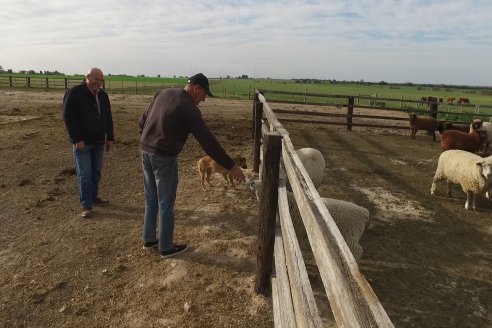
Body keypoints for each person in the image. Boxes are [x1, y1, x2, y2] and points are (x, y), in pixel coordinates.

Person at [138, 73, 245, 259]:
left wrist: (149, 140)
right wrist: (231, 165)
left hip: (145, 152)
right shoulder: (188, 107)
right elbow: (208, 142)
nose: (203, 100)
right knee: (165, 203)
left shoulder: (162, 93)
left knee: (151, 199)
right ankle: (166, 247)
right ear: (196, 88)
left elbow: (142, 121)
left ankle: (149, 238)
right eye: (204, 95)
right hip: (164, 157)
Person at [63, 67, 114, 218]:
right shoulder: (75, 93)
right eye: (95, 79)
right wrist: (76, 139)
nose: (98, 82)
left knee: (96, 172)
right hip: (82, 143)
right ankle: (86, 205)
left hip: (99, 141)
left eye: (100, 80)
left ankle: (93, 197)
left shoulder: (103, 96)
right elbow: (67, 117)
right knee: (84, 174)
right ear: (87, 77)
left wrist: (110, 137)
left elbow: (108, 117)